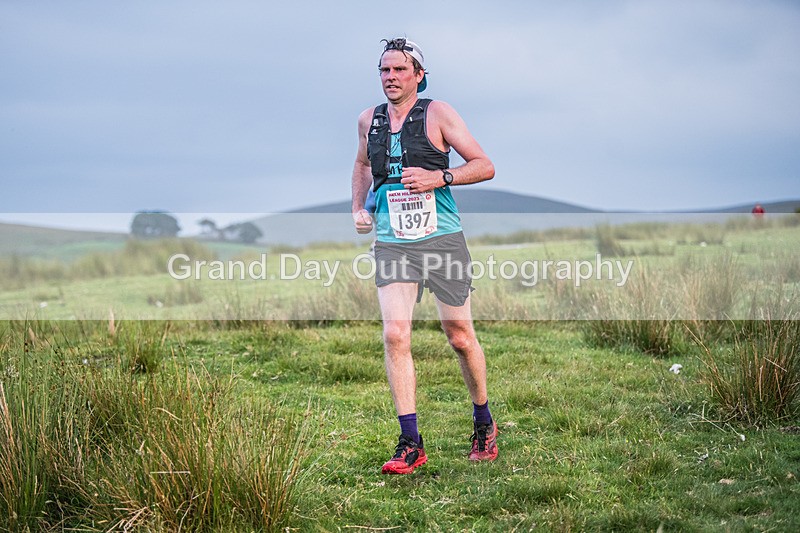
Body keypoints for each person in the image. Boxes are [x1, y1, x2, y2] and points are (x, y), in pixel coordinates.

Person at [350, 37, 497, 474]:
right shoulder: (368, 121)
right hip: (393, 242)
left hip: (442, 239)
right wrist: (359, 207)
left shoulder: (439, 113)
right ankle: (409, 442)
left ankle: (483, 422)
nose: (390, 77)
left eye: (399, 70)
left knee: (459, 336)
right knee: (395, 335)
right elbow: (361, 165)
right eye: (384, 70)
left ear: (418, 74)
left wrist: (439, 176)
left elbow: (484, 164)